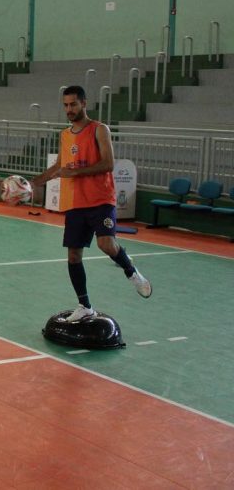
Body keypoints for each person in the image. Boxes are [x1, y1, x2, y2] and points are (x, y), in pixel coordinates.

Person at [31, 85, 151, 322]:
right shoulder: (64, 135)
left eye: (73, 104)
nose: (69, 109)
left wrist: (76, 172)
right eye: (65, 105)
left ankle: (131, 271)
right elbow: (60, 166)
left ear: (84, 104)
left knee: (106, 244)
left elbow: (108, 164)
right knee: (73, 257)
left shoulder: (99, 129)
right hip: (75, 202)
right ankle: (84, 305)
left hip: (100, 199)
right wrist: (35, 182)